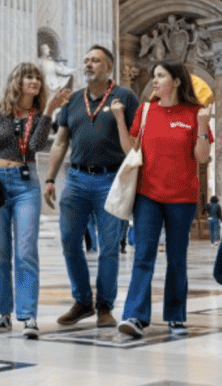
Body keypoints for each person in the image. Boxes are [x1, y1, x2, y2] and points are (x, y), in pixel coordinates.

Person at [114, 60, 212, 338]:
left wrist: (203, 126)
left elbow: (202, 157)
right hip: (148, 195)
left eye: (160, 76)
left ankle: (176, 315)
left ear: (177, 81)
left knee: (177, 257)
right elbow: (129, 150)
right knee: (143, 255)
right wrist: (121, 120)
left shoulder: (194, 113)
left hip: (182, 196)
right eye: (154, 76)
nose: (154, 81)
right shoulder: (146, 111)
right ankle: (135, 315)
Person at [43, 45, 140, 328]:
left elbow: (135, 142)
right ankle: (83, 300)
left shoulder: (125, 97)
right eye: (85, 60)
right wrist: (50, 179)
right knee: (69, 240)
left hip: (111, 178)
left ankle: (105, 306)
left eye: (95, 61)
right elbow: (61, 142)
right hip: (76, 178)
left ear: (108, 68)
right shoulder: (74, 100)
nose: (88, 64)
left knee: (109, 246)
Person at [0, 62, 69, 339]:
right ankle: (4, 313)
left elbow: (35, 147)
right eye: (29, 76)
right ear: (17, 80)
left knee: (26, 249)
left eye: (38, 78)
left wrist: (49, 111)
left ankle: (29, 315)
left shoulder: (38, 115)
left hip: (25, 184)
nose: (35, 82)